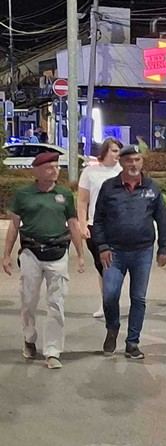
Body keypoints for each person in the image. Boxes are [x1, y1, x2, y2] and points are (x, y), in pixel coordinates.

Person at [2, 152, 86, 369]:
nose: (55, 171)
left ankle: (53, 351)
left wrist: (80, 254)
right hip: (31, 252)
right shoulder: (24, 195)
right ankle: (29, 338)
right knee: (28, 300)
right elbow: (14, 225)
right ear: (36, 171)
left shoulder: (64, 195)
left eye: (56, 166)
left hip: (58, 252)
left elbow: (73, 224)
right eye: (49, 167)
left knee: (56, 303)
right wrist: (6, 255)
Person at [92, 145, 166, 360]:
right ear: (121, 162)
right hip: (114, 252)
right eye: (129, 160)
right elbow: (98, 220)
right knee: (110, 295)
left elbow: (162, 219)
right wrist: (102, 246)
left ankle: (132, 342)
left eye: (137, 160)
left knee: (138, 298)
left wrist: (164, 247)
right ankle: (112, 327)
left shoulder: (151, 187)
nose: (133, 164)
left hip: (142, 251)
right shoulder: (109, 187)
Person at [76, 137, 123, 319]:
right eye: (114, 151)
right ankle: (106, 303)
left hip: (118, 226)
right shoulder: (90, 172)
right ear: (105, 152)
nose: (117, 154)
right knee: (102, 266)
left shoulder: (123, 172)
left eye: (119, 151)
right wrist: (82, 224)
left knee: (113, 268)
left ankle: (111, 302)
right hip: (96, 225)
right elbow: (82, 201)